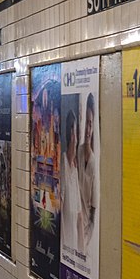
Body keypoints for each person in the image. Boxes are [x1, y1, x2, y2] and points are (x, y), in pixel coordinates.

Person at [78, 93, 98, 252]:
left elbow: (93, 215)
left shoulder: (93, 164)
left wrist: (86, 242)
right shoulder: (76, 153)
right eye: (86, 122)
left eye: (91, 124)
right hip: (73, 229)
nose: (88, 129)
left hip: (85, 237)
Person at [61, 109, 83, 254]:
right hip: (66, 241)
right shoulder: (63, 163)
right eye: (73, 131)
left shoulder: (75, 168)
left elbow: (79, 214)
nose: (75, 137)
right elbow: (61, 206)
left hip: (74, 244)